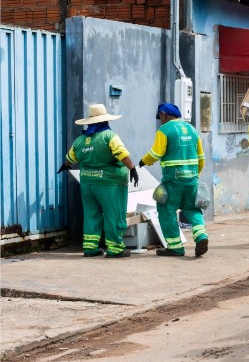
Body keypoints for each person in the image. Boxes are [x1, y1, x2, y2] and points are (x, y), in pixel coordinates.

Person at [57, 103, 139, 258]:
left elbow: (69, 159)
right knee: (113, 215)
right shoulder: (109, 136)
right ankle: (115, 248)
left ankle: (90, 247)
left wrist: (64, 166)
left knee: (91, 214)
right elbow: (122, 154)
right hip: (110, 184)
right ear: (105, 120)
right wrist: (133, 169)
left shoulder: (80, 140)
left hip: (87, 183)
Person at [139, 103, 208, 258]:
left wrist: (143, 161)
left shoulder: (164, 130)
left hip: (173, 179)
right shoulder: (192, 129)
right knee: (191, 208)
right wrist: (194, 175)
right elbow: (201, 158)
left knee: (166, 209)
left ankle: (175, 246)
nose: (160, 121)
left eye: (160, 117)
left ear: (164, 114)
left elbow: (156, 153)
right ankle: (201, 235)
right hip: (191, 178)